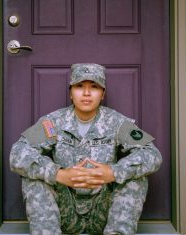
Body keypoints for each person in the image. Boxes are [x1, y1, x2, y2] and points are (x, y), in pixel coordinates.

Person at [10, 63, 162, 235]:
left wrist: (114, 172)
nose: (87, 93)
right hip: (63, 211)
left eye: (94, 87)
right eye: (79, 86)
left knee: (136, 179)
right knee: (34, 179)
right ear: (70, 93)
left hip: (104, 210)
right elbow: (17, 153)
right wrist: (59, 174)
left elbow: (152, 153)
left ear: (102, 94)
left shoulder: (117, 123)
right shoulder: (53, 122)